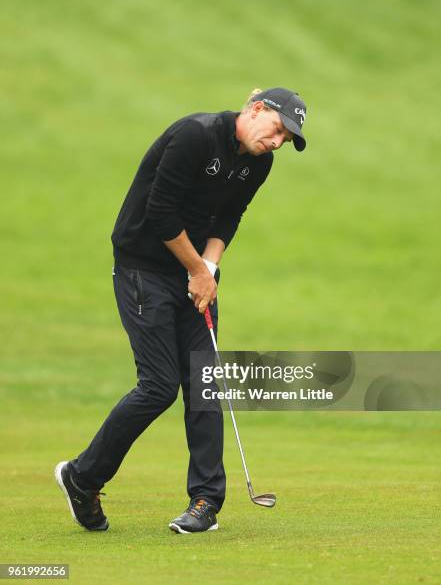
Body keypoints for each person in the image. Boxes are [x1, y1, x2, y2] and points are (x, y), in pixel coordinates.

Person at [55, 87, 307, 534]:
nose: (277, 142)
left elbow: (230, 216)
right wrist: (198, 270)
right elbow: (161, 213)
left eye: (286, 139)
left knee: (204, 382)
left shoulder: (259, 162)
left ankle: (206, 501)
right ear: (255, 110)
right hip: (143, 269)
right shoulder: (195, 135)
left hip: (194, 274)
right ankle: (82, 477)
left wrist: (208, 267)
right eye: (277, 130)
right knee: (157, 386)